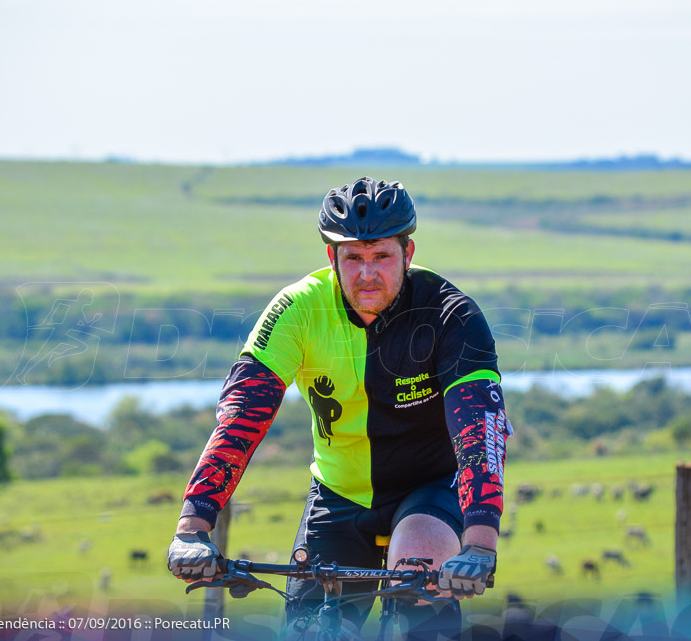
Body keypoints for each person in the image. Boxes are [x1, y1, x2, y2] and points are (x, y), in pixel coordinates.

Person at [168, 177, 512, 639]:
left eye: (381, 258)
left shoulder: (451, 315)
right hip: (339, 491)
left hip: (431, 488)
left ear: (407, 255)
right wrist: (193, 525)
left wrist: (480, 545)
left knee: (419, 578)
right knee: (314, 630)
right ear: (333, 259)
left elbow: (479, 432)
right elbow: (241, 418)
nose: (367, 274)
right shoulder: (297, 310)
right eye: (354, 258)